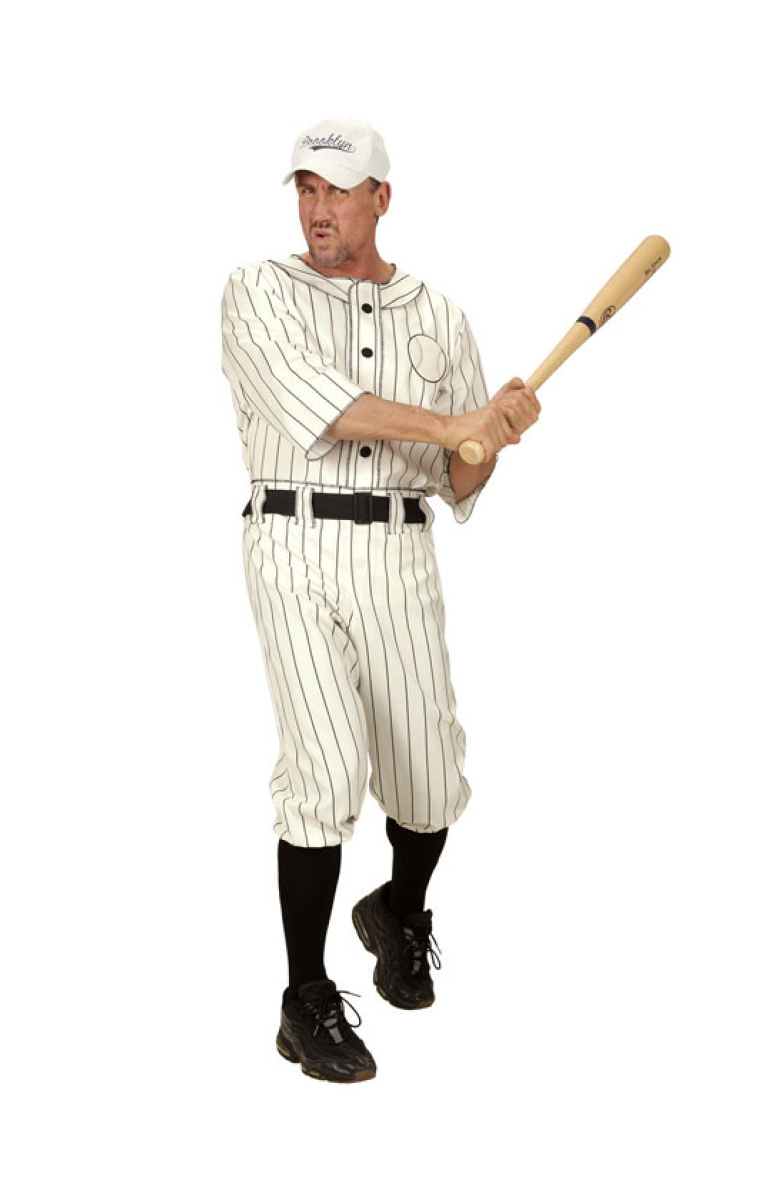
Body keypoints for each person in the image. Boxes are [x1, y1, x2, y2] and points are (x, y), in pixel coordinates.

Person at [220, 118, 539, 1082]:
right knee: (322, 769)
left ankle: (398, 912)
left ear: (380, 198)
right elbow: (321, 406)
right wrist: (453, 424)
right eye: (305, 190)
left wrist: (496, 435)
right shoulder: (257, 289)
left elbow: (460, 475)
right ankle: (304, 996)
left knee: (431, 779)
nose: (318, 210)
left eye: (337, 191)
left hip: (400, 547)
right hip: (293, 538)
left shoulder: (438, 315)